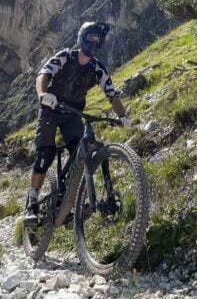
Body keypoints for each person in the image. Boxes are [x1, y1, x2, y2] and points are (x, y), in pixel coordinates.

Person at [24, 21, 130, 226]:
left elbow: (112, 94)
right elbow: (43, 75)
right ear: (82, 36)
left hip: (73, 114)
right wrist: (43, 94)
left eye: (98, 39)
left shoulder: (97, 68)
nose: (94, 41)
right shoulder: (65, 56)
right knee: (45, 154)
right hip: (50, 109)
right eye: (91, 36)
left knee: (81, 156)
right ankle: (32, 203)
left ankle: (71, 201)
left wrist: (122, 116)